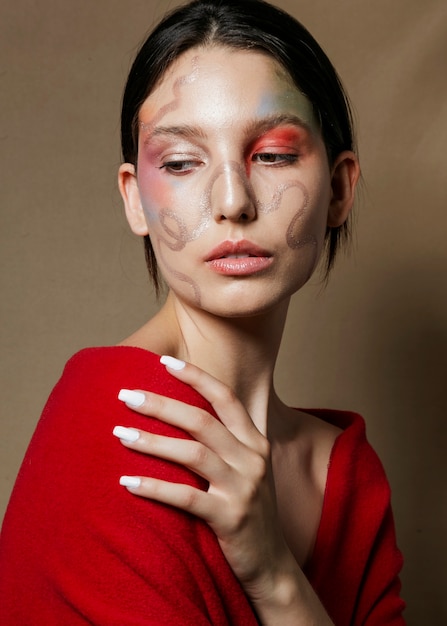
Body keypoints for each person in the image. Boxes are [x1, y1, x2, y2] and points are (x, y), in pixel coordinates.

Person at [0, 0, 405, 624]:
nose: (232, 200)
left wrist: (275, 574)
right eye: (183, 163)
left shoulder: (346, 475)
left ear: (340, 188)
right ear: (136, 201)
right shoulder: (120, 429)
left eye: (272, 154)